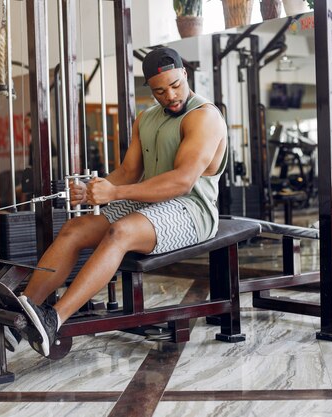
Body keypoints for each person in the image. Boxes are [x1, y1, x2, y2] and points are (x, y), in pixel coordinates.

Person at [16, 47, 228, 357]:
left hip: (192, 210)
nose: (169, 95)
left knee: (121, 232)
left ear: (185, 74)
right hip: (148, 202)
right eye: (160, 90)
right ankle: (24, 314)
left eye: (175, 85)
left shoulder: (204, 116)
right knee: (76, 228)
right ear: (150, 90)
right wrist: (94, 188)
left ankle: (54, 319)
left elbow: (182, 181)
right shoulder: (147, 118)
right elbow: (129, 172)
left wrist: (114, 194)